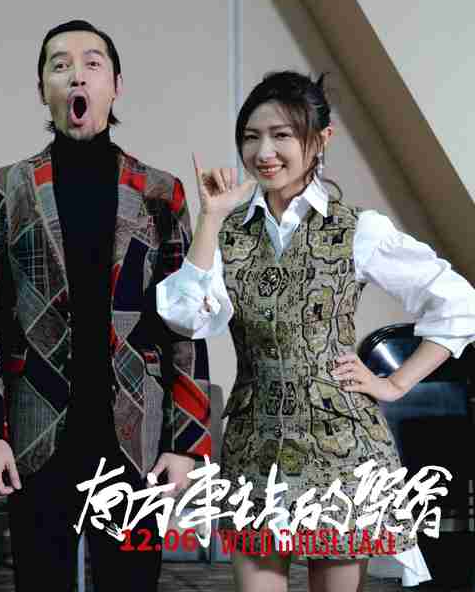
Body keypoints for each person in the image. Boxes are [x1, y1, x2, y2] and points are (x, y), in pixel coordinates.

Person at [156, 70, 475, 591]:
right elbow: (184, 318)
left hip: (341, 444)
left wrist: (395, 383)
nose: (264, 152)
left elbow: (458, 301)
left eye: (281, 135)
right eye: (251, 137)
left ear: (321, 139)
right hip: (255, 442)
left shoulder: (358, 229)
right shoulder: (227, 232)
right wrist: (210, 218)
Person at [0, 19, 212, 591]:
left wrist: (185, 444)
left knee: (131, 583)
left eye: (92, 63)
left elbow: (184, 322)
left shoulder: (160, 192)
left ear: (115, 86)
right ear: (43, 89)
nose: (76, 75)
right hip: (35, 430)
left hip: (135, 434)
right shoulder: (7, 188)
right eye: (60, 65)